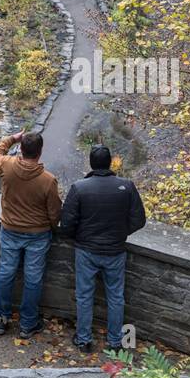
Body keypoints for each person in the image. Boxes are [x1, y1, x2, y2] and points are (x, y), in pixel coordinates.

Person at [59, 145, 147, 352]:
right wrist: (120, 233)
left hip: (86, 250)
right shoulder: (126, 186)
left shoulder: (79, 188)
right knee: (116, 296)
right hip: (115, 251)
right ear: (110, 162)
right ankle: (116, 342)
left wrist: (79, 236)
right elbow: (139, 220)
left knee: (84, 295)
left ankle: (84, 339)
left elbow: (67, 223)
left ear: (91, 163)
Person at [0, 130, 62, 338]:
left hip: (10, 230)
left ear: (21, 149)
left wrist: (11, 139)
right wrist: (52, 227)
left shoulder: (8, 166)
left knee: (5, 273)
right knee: (33, 278)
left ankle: (1, 319)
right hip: (37, 234)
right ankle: (28, 324)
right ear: (39, 152)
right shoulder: (48, 180)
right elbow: (54, 212)